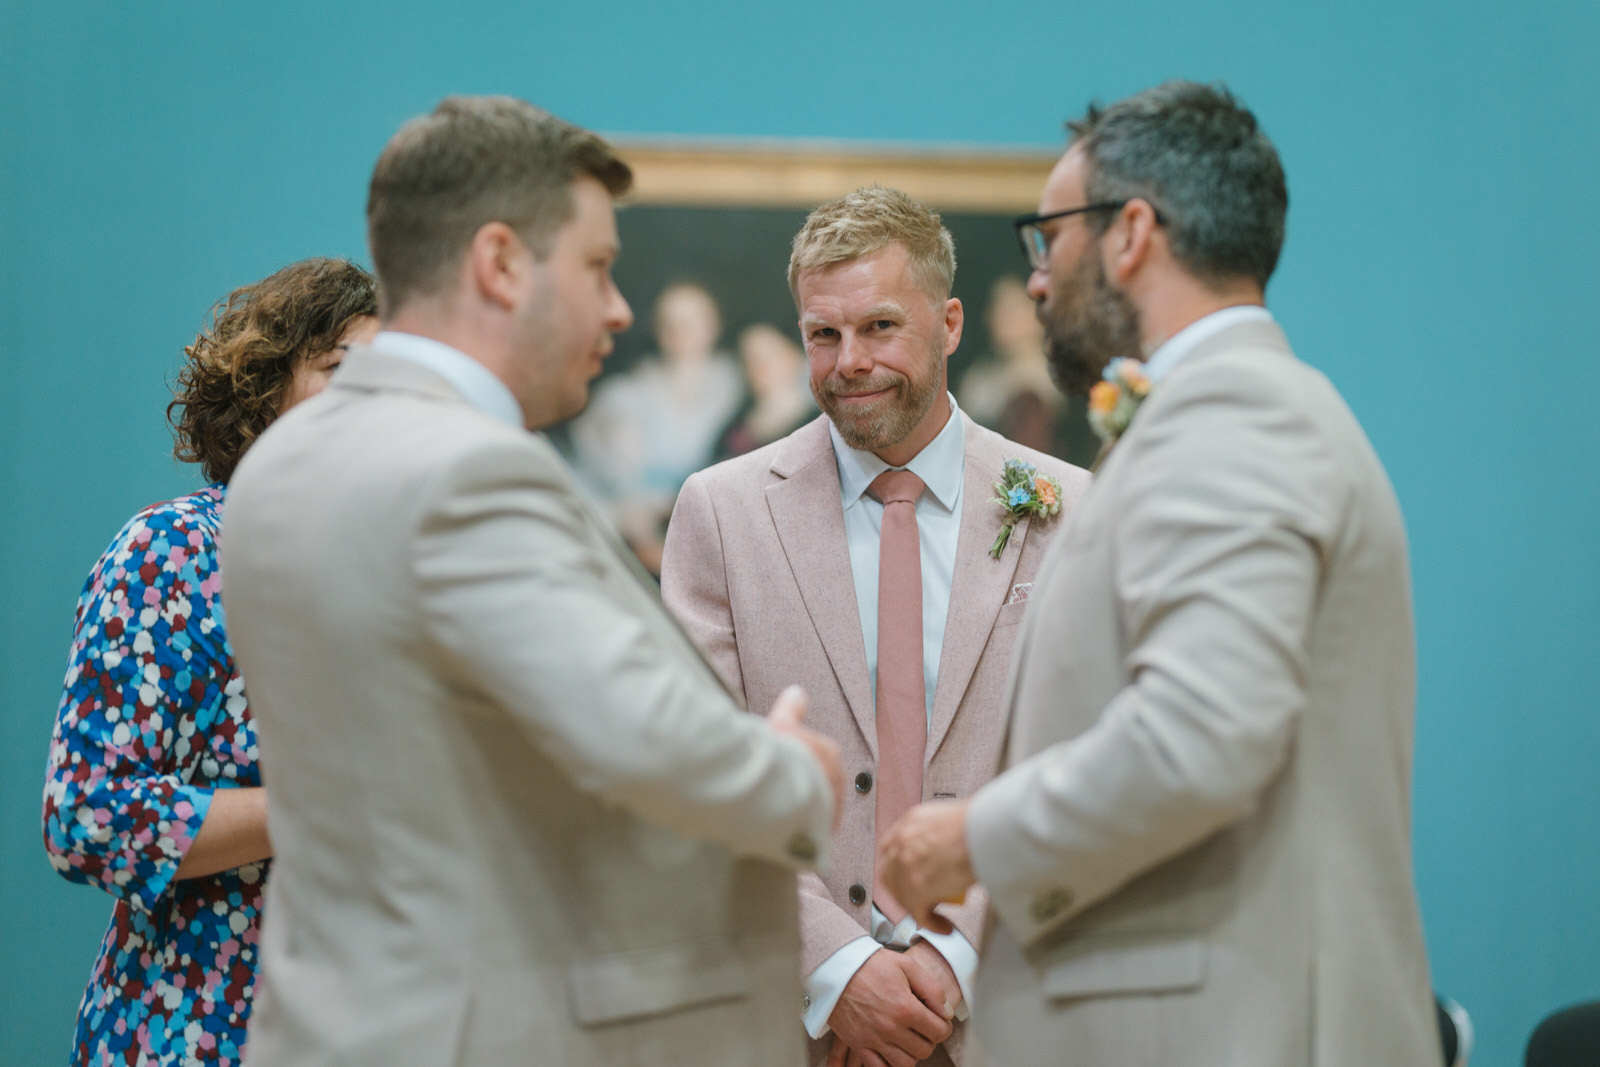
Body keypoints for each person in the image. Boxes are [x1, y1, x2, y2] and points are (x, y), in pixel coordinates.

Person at [217, 96, 842, 1067]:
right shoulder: (466, 472)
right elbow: (646, 739)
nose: (619, 308)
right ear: (501, 262)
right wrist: (793, 773)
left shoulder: (277, 464)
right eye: (597, 266)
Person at [879, 81, 1441, 1065]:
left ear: (1130, 232)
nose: (1039, 279)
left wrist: (974, 835)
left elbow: (1201, 731)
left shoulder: (1233, 420)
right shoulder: (1236, 413)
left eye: (1046, 238)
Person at [662, 186, 1088, 1067]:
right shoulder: (722, 512)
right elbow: (688, 777)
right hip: (792, 1022)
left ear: (952, 323)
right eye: (824, 333)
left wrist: (953, 955)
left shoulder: (1072, 508)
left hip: (1011, 1013)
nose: (849, 360)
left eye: (881, 327)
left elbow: (1088, 760)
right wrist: (841, 967)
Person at [42, 257, 379, 1066]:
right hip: (199, 1032)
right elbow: (86, 814)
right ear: (263, 391)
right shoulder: (174, 554)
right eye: (341, 370)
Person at [567, 281, 746, 572]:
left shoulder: (737, 386)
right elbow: (609, 471)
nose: (678, 330)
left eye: (689, 321)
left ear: (713, 325)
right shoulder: (627, 393)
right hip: (637, 528)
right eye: (669, 321)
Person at [712, 322, 816, 461]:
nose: (761, 365)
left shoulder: (818, 424)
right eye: (751, 357)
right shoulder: (736, 422)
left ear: (796, 355)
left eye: (770, 354)